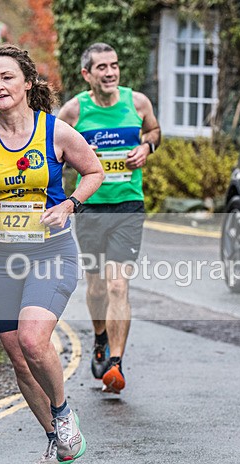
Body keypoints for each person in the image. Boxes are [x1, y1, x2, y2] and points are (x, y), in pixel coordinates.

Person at [0, 44, 104, 464]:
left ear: (27, 83)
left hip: (51, 252)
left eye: (6, 77)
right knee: (18, 355)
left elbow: (93, 171)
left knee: (34, 341)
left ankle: (63, 414)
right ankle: (55, 442)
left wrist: (70, 204)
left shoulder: (55, 132)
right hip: (1, 256)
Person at [58, 42, 161, 394]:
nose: (111, 72)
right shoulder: (73, 111)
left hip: (128, 205)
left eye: (114, 65)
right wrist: (81, 158)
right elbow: (52, 151)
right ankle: (100, 336)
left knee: (118, 284)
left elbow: (154, 132)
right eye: (102, 67)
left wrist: (146, 148)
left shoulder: (137, 102)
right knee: (98, 286)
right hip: (91, 208)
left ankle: (115, 364)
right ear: (87, 74)